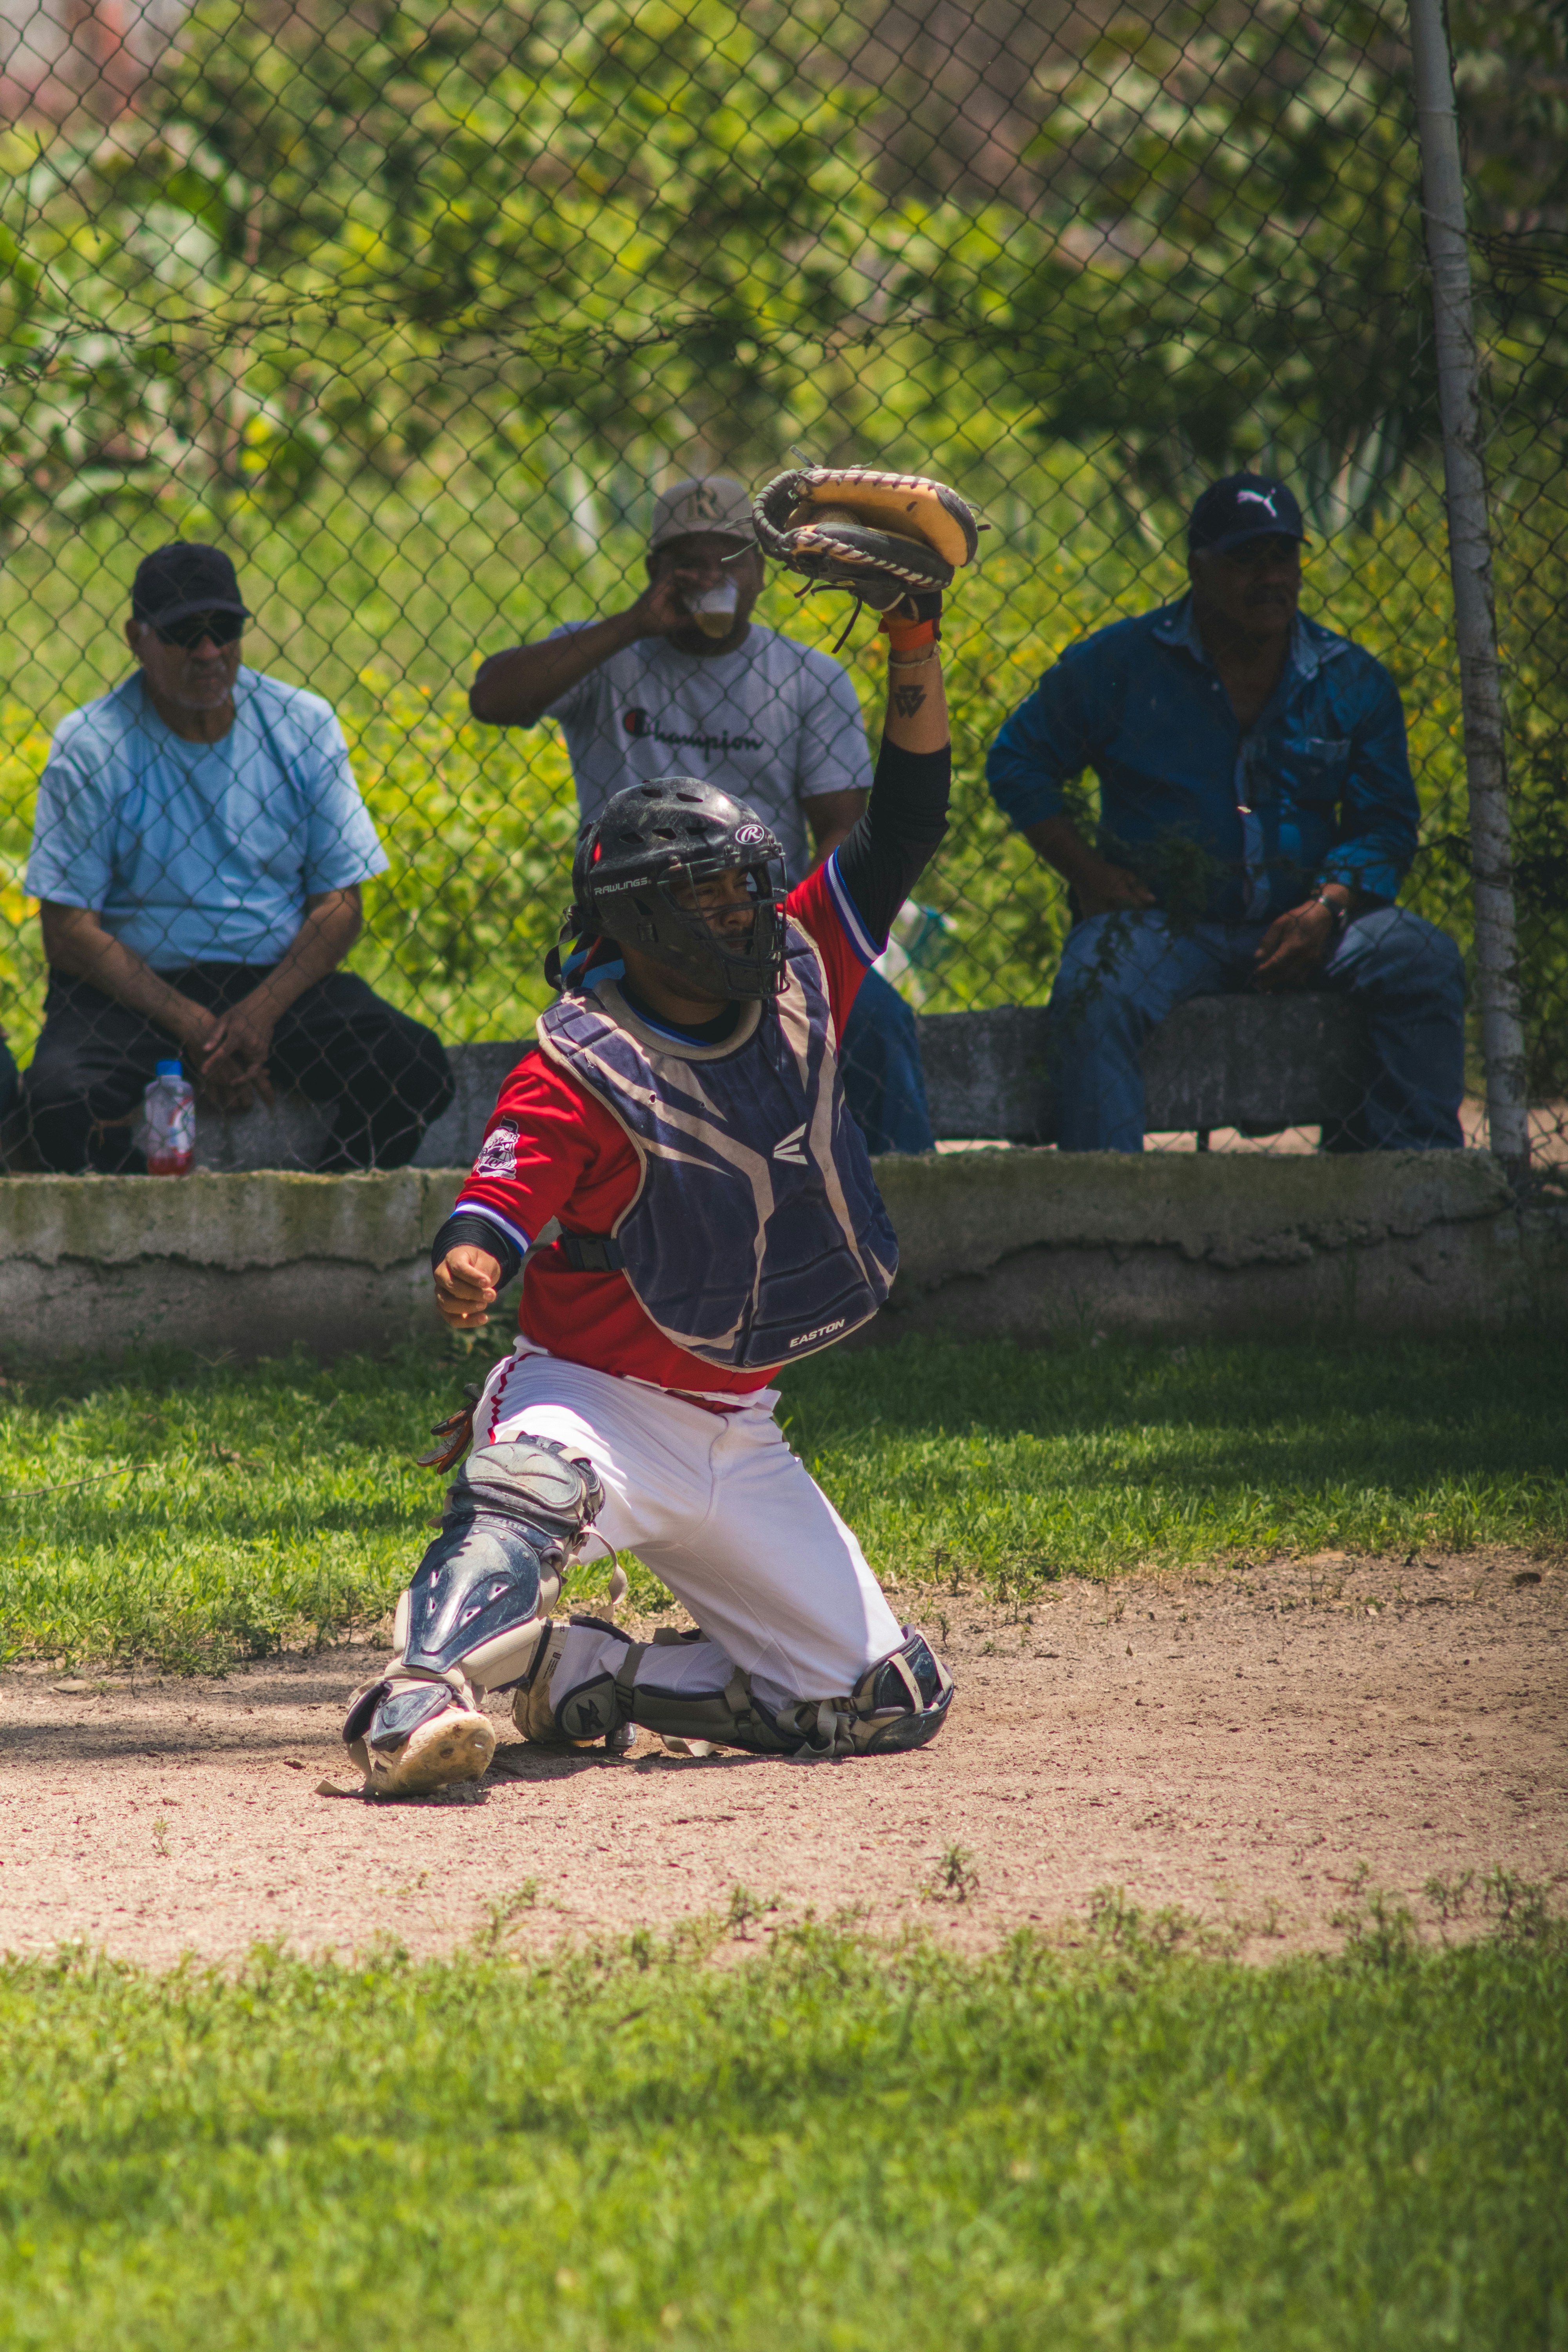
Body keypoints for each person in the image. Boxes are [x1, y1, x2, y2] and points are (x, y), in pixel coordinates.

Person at [340, 579, 957, 1797]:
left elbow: (906, 825)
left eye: (745, 885)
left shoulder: (800, 966)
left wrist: (914, 642)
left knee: (883, 1702)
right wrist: (475, 1254)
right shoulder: (584, 1055)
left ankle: (590, 1680)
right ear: (642, 918)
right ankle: (411, 1699)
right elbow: (503, 1192)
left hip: (742, 1427)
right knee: (529, 1485)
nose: (746, 912)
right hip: (597, 1401)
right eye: (711, 895)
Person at [986, 474, 1466, 1152]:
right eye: (1246, 560)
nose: (1270, 578)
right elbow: (1017, 761)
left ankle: (1408, 1200)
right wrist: (1088, 872)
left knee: (1421, 960)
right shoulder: (1122, 663)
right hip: (1163, 924)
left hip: (1310, 920)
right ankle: (1106, 1216)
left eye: (1283, 557)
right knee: (1096, 992)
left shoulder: (1348, 678)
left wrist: (1328, 909)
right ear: (1197, 568)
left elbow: (1386, 822)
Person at [469, 474, 936, 1155]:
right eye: (686, 561)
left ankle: (913, 1205)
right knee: (604, 1065)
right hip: (636, 930)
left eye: (729, 559)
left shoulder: (806, 677)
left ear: (758, 572)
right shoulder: (608, 656)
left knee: (879, 1026)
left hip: (764, 925)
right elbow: (493, 700)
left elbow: (842, 823)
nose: (708, 576)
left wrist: (800, 930)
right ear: (656, 572)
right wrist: (633, 623)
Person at [22, 542, 453, 1172]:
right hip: (131, 993)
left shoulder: (302, 723)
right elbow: (68, 932)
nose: (208, 652)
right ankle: (134, 1248)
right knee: (57, 1100)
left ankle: (323, 1218)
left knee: (415, 1067)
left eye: (223, 630)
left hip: (272, 983)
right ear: (136, 638)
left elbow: (339, 903)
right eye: (183, 634)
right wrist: (193, 1026)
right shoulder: (92, 744)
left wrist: (258, 1016)